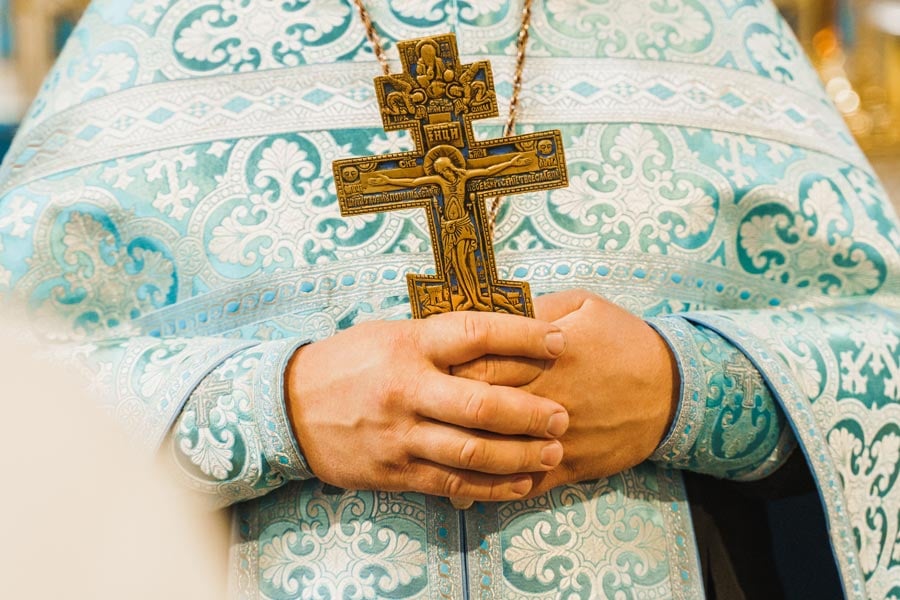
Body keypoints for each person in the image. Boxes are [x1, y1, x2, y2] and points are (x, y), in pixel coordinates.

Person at [0, 1, 897, 598]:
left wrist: (686, 389)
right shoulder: (154, 27)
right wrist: (276, 408)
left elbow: (872, 342)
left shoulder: (704, 19)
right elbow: (22, 392)